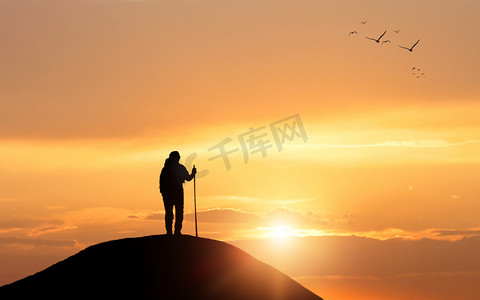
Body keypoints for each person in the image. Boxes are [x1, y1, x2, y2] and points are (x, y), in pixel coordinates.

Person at [159, 151, 196, 236]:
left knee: (174, 212)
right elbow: (188, 178)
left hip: (172, 193)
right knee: (174, 212)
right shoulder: (175, 168)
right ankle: (173, 231)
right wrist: (193, 174)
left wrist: (193, 173)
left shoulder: (167, 169)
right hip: (174, 193)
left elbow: (188, 178)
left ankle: (174, 231)